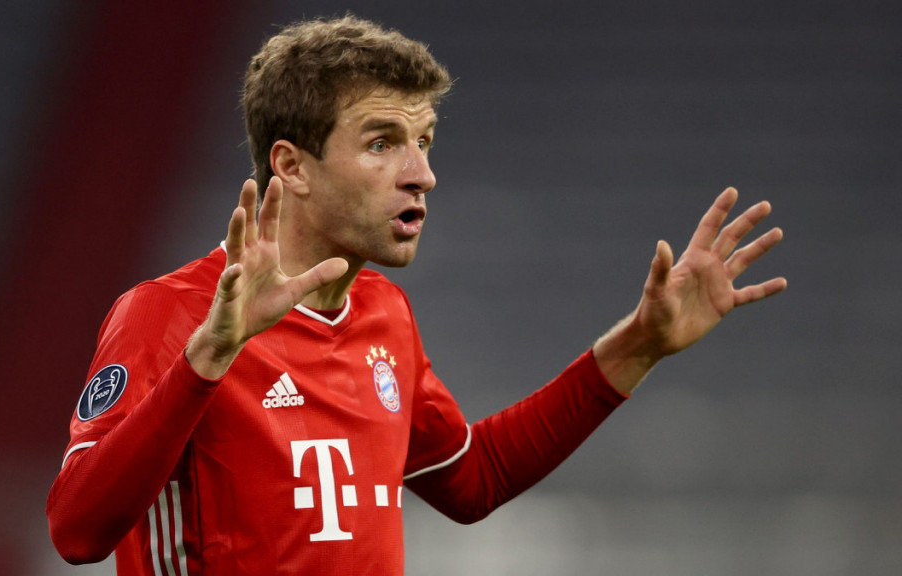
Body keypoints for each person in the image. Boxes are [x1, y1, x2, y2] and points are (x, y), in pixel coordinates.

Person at [46, 14, 786, 575]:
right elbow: (76, 532)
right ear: (292, 166)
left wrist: (639, 346)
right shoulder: (173, 313)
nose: (421, 174)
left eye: (424, 141)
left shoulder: (383, 314)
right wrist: (205, 360)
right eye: (382, 143)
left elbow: (473, 480)